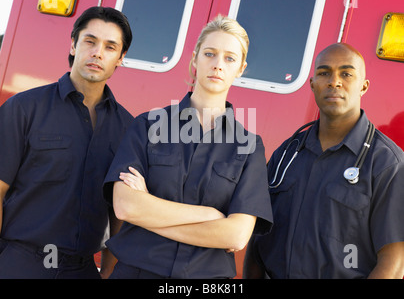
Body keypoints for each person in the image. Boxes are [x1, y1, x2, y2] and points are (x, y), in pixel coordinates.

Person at [102, 15, 273, 279]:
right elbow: (126, 207)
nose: (217, 65)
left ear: (240, 68)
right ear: (195, 59)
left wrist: (149, 210)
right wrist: (209, 216)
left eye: (229, 58)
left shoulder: (249, 147)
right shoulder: (148, 126)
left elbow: (236, 235)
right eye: (209, 54)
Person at [243, 43, 404, 279]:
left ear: (364, 86)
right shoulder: (286, 154)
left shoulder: (387, 164)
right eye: (324, 73)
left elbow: (394, 262)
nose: (334, 81)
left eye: (346, 74)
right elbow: (257, 240)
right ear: (313, 84)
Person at [0, 6, 134, 279]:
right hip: (21, 263)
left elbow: (120, 212)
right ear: (73, 44)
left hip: (83, 269)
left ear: (120, 58)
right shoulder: (24, 109)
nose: (97, 52)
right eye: (90, 41)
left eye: (110, 47)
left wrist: (108, 271)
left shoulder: (127, 128)